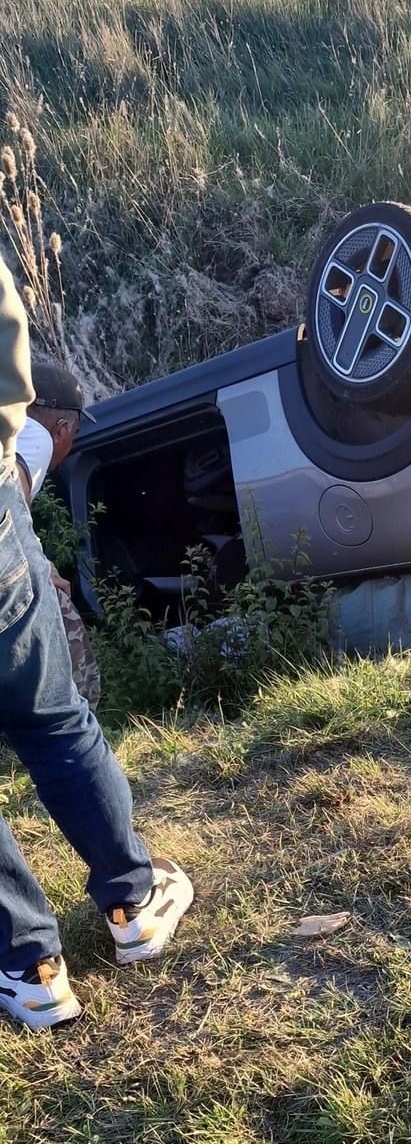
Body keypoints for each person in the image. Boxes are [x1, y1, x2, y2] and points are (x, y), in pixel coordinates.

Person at [0, 256, 193, 1031]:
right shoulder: (36, 437)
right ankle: (133, 903)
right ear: (67, 429)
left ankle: (31, 967)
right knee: (54, 719)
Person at [15, 361, 102, 709]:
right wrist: (36, 566)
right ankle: (75, 722)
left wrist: (38, 556)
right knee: (63, 621)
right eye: (75, 434)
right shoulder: (35, 436)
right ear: (61, 429)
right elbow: (8, 491)